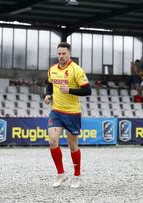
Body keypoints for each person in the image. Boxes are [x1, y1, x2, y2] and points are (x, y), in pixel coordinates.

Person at [44, 42, 91, 188]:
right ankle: (61, 174)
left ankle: (77, 176)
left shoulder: (77, 70)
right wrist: (48, 94)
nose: (61, 56)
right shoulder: (52, 69)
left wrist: (69, 90)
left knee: (72, 145)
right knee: (52, 141)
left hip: (72, 113)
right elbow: (49, 84)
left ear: (69, 54)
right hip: (56, 111)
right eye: (59, 53)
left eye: (64, 53)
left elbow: (87, 91)